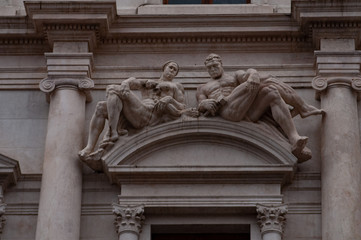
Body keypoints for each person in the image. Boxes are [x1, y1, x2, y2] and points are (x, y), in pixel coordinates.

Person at [196, 53, 324, 160]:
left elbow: (247, 75)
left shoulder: (235, 76)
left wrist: (253, 73)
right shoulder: (203, 87)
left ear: (221, 64)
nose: (213, 69)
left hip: (245, 111)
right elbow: (199, 107)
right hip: (227, 111)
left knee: (271, 90)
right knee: (258, 80)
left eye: (215, 66)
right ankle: (303, 107)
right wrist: (204, 104)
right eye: (209, 68)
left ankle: (294, 138)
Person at [79, 60, 186, 157]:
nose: (172, 70)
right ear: (164, 68)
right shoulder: (149, 82)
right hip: (139, 111)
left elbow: (182, 106)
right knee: (101, 107)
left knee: (113, 89)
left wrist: (169, 99)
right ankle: (90, 147)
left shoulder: (176, 86)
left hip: (151, 115)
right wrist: (126, 83)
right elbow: (133, 82)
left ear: (176, 74)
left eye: (174, 69)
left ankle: (113, 133)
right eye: (170, 67)